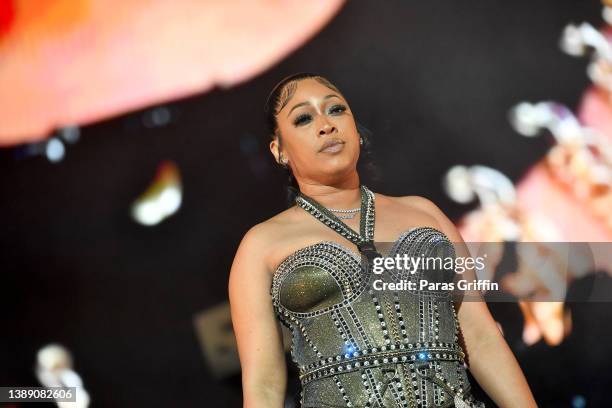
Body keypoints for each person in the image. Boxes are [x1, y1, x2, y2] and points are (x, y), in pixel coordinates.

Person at [228, 72, 537, 408]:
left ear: (357, 131)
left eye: (336, 110)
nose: (326, 125)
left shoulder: (425, 214)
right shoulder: (260, 245)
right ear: (279, 151)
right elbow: (263, 386)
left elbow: (481, 338)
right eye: (303, 118)